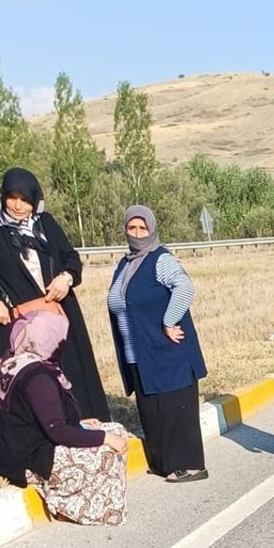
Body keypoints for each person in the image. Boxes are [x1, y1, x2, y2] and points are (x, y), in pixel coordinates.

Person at [0, 167, 111, 447]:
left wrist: (65, 278)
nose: (18, 206)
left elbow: (70, 257)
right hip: (14, 317)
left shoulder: (45, 222)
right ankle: (27, 439)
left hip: (56, 312)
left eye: (25, 199)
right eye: (12, 198)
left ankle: (78, 426)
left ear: (35, 199)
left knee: (68, 370)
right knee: (22, 375)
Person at [0, 310, 129, 525]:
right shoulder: (38, 377)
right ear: (46, 340)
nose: (61, 344)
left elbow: (33, 417)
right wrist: (105, 438)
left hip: (23, 450)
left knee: (115, 429)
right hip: (35, 461)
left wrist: (80, 424)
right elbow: (57, 431)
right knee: (109, 444)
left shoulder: (14, 362)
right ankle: (72, 504)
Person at [106, 206, 209, 483]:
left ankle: (191, 465)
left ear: (152, 230)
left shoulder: (160, 260)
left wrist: (168, 321)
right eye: (132, 228)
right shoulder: (126, 264)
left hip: (166, 349)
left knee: (176, 407)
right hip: (139, 353)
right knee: (153, 409)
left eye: (143, 228)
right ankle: (163, 463)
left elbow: (184, 288)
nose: (138, 234)